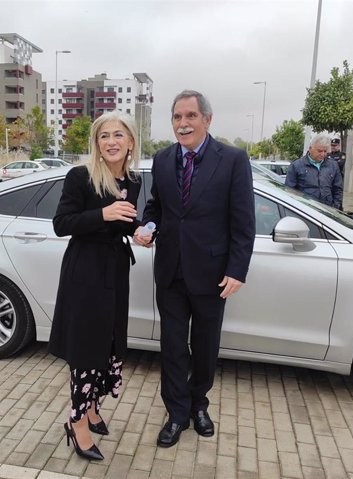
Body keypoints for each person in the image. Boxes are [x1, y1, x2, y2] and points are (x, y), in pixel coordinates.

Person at [133, 90, 255, 448]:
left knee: (205, 346)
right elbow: (157, 207)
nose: (182, 124)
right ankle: (176, 412)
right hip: (170, 271)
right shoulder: (163, 159)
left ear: (207, 120)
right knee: (172, 347)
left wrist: (237, 269)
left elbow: (243, 221)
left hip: (213, 274)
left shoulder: (232, 160)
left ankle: (199, 404)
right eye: (176, 117)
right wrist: (148, 227)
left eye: (190, 116)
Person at [49, 110, 142, 461]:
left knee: (109, 343)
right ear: (96, 143)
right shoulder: (81, 177)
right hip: (85, 273)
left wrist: (139, 231)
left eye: (119, 135)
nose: (112, 142)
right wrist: (102, 214)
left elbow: (125, 220)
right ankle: (77, 424)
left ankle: (90, 408)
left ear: (131, 142)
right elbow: (62, 223)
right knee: (87, 350)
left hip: (115, 271)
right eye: (105, 136)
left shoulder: (132, 180)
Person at [285, 134, 343, 209]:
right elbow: (289, 191)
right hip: (306, 211)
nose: (323, 154)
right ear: (310, 148)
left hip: (328, 211)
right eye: (319, 151)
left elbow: (338, 189)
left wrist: (335, 207)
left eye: (325, 151)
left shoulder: (333, 165)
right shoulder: (296, 166)